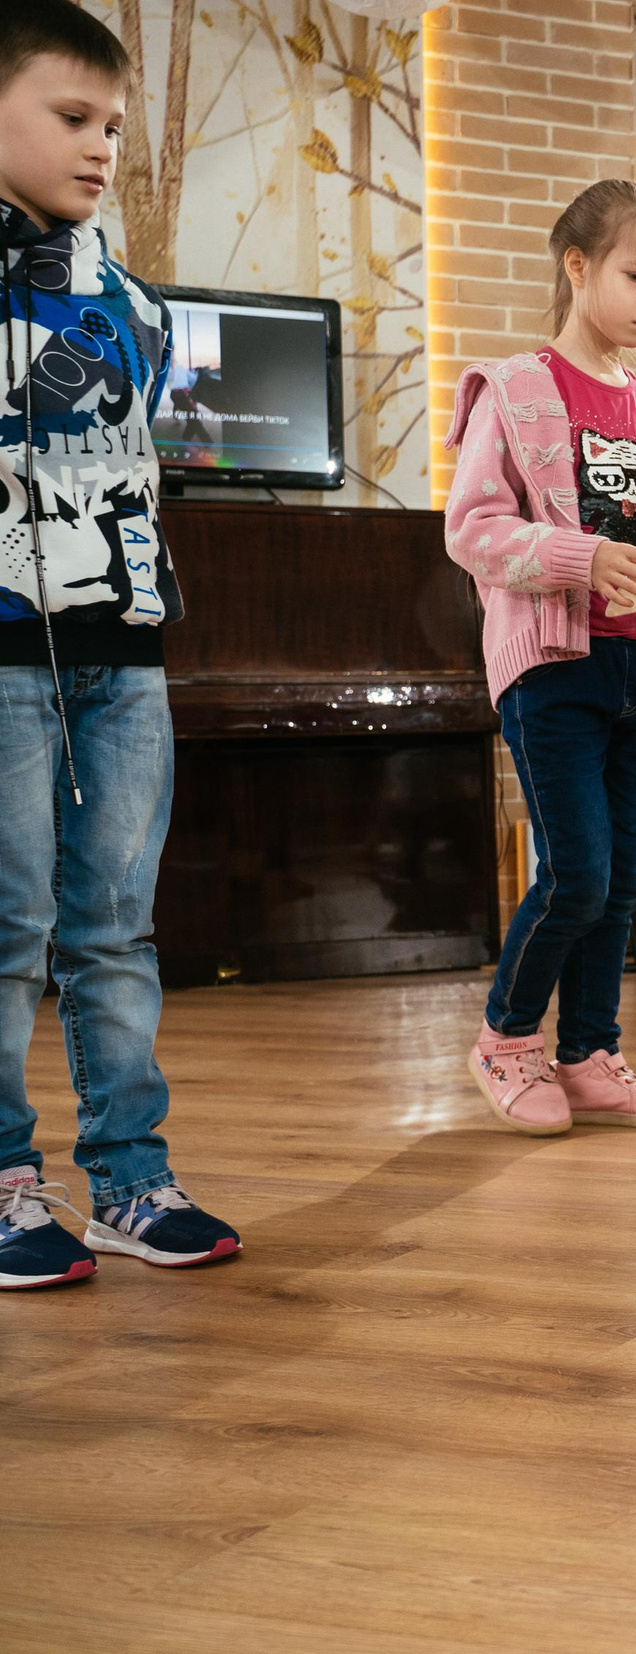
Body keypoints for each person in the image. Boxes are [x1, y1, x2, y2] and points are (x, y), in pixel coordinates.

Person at [0, 1, 242, 1287]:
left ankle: (131, 1180)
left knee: (114, 926)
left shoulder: (134, 307)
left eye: (112, 124)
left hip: (123, 654)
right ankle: (2, 1180)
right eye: (71, 118)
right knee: (9, 924)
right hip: (0, 661)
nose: (100, 148)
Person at [444, 180, 636, 1136]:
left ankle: (588, 1056)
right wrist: (582, 558)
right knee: (575, 872)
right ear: (577, 267)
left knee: (620, 879)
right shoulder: (514, 388)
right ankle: (506, 1043)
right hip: (553, 670)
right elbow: (474, 530)